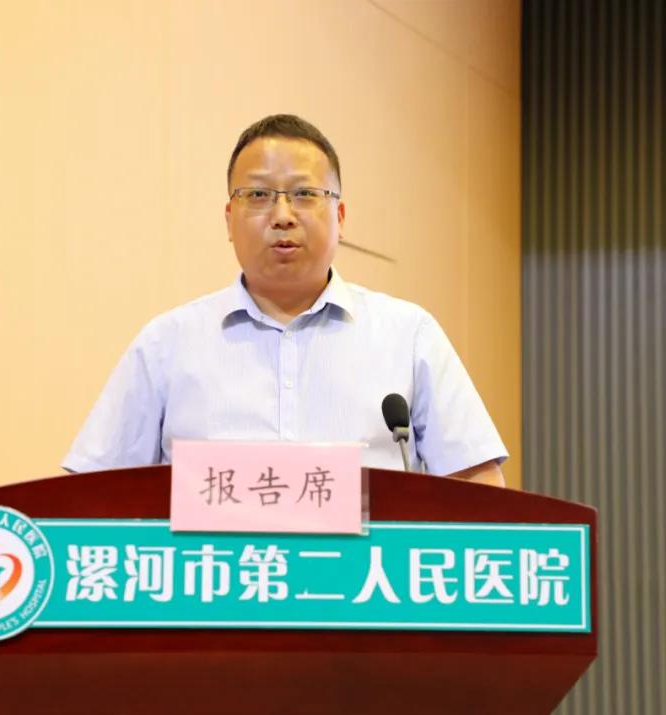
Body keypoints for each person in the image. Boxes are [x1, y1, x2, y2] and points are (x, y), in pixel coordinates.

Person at [63, 114, 507, 486]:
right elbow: (90, 495)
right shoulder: (167, 343)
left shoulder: (408, 335)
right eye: (257, 195)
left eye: (305, 195)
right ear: (229, 219)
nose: (282, 216)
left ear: (340, 217)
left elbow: (478, 485)